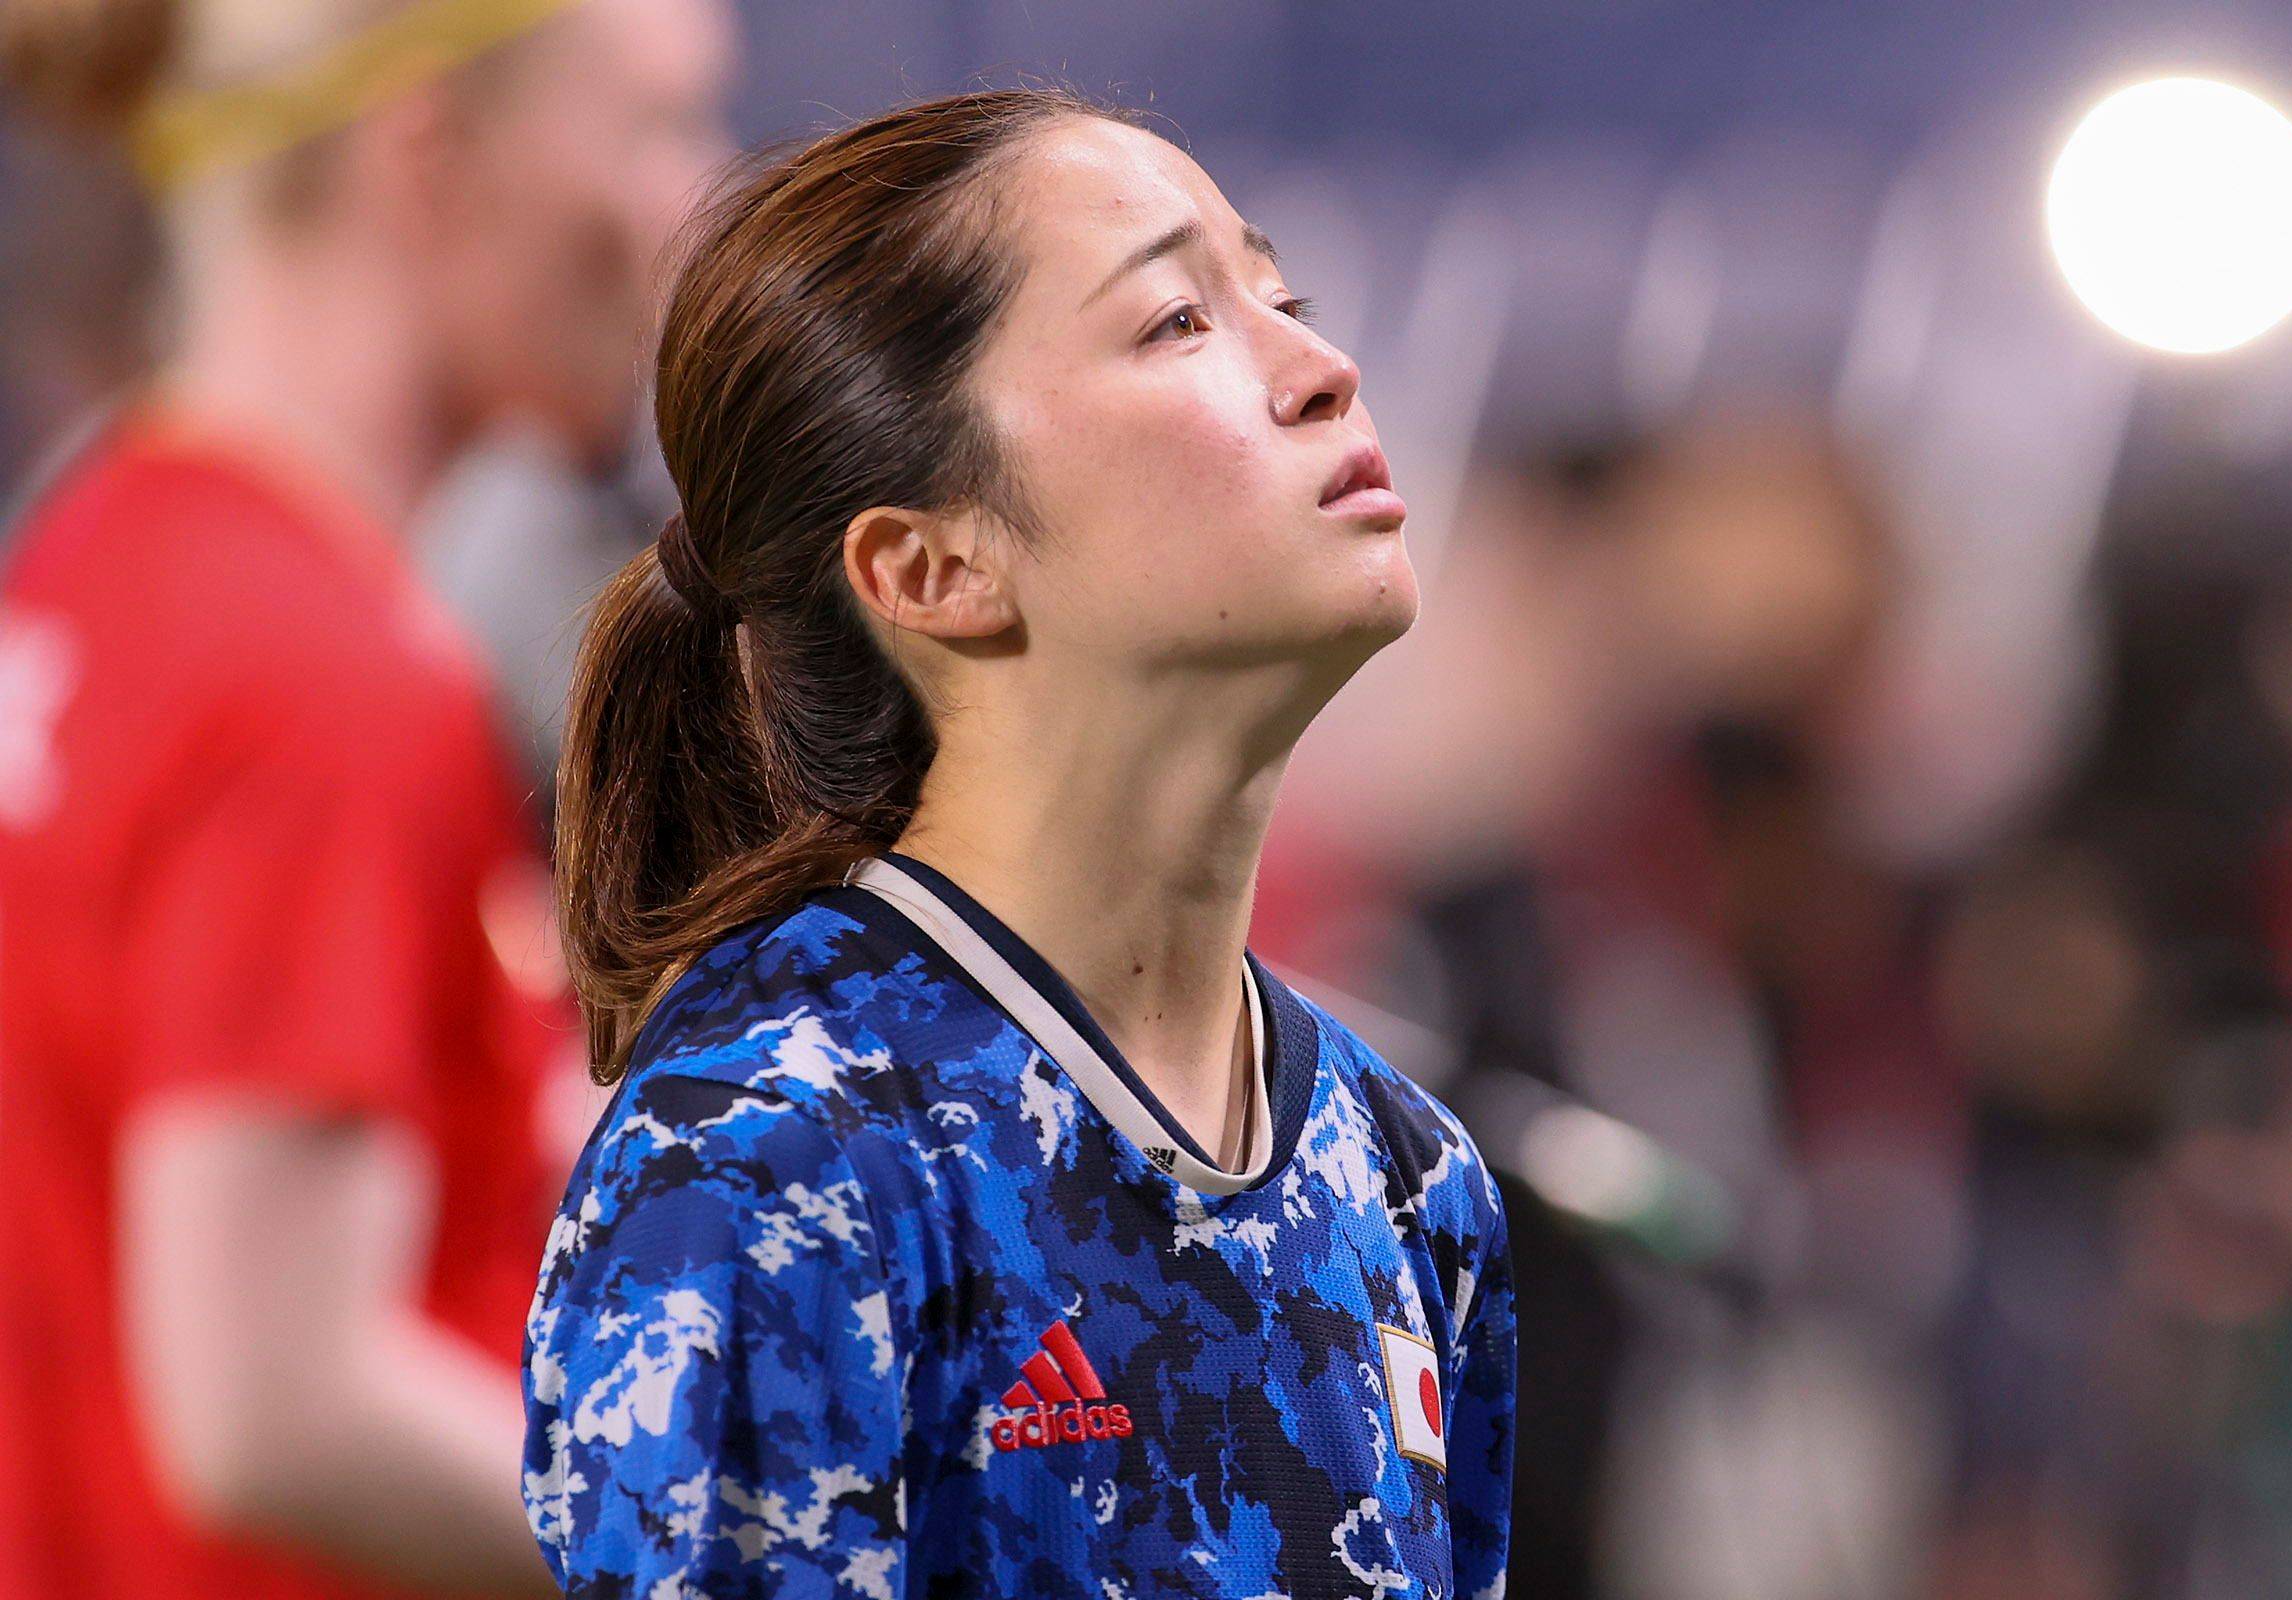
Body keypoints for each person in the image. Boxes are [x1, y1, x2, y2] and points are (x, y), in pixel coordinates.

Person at [520, 87, 1517, 1596]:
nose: (1324, 369)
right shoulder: (774, 1153)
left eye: (1284, 296)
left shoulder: (1407, 1182)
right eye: (1181, 319)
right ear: (931, 566)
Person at [0, 0, 734, 1594]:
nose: (695, 206)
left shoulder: (108, 557)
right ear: (429, 155)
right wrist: (757, 1557)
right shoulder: (316, 677)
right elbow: (273, 1408)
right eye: (656, 126)